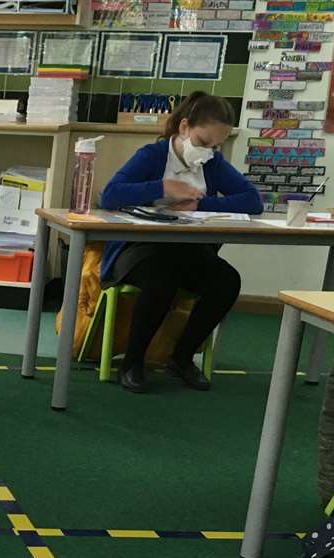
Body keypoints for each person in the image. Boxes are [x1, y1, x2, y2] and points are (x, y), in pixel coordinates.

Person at [97, 92, 263, 394]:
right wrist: (162, 187)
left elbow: (252, 200)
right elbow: (110, 195)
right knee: (163, 277)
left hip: (188, 251)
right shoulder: (153, 155)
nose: (209, 151)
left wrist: (201, 206)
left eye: (216, 145)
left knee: (226, 281)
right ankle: (132, 361)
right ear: (184, 127)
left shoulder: (213, 163)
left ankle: (181, 357)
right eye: (203, 142)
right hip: (138, 252)